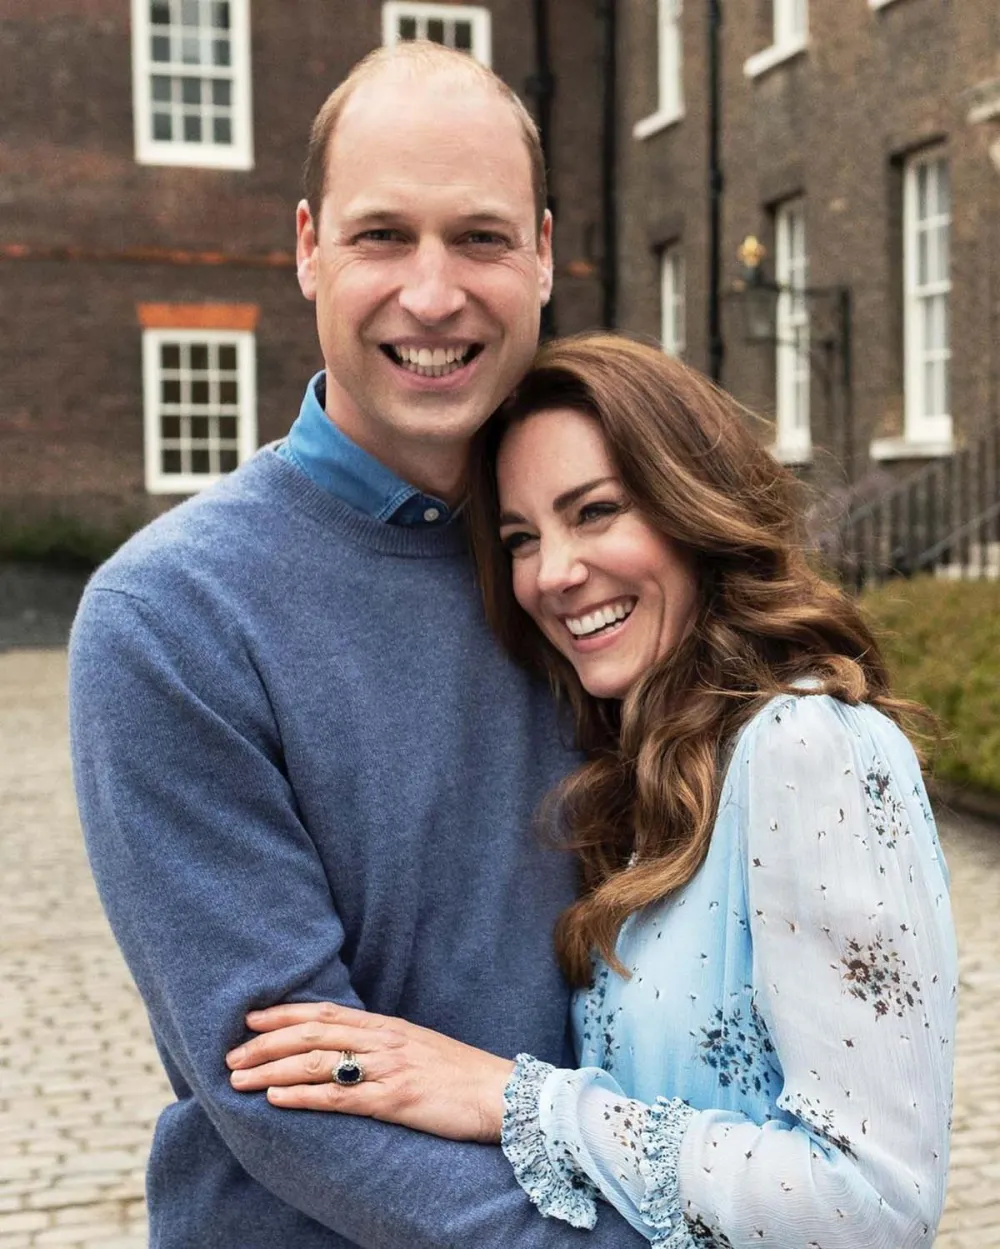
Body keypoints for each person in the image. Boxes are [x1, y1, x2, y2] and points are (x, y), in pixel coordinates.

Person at [69, 45, 649, 1249]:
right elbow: (290, 1093)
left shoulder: (609, 573)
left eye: (480, 239)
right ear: (307, 248)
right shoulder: (170, 617)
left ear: (544, 253)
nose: (432, 296)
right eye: (382, 235)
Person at [226, 334, 959, 1249]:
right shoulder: (654, 767)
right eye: (522, 539)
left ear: (694, 506)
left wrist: (510, 1096)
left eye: (596, 511)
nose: (554, 573)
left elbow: (873, 1205)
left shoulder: (811, 747)